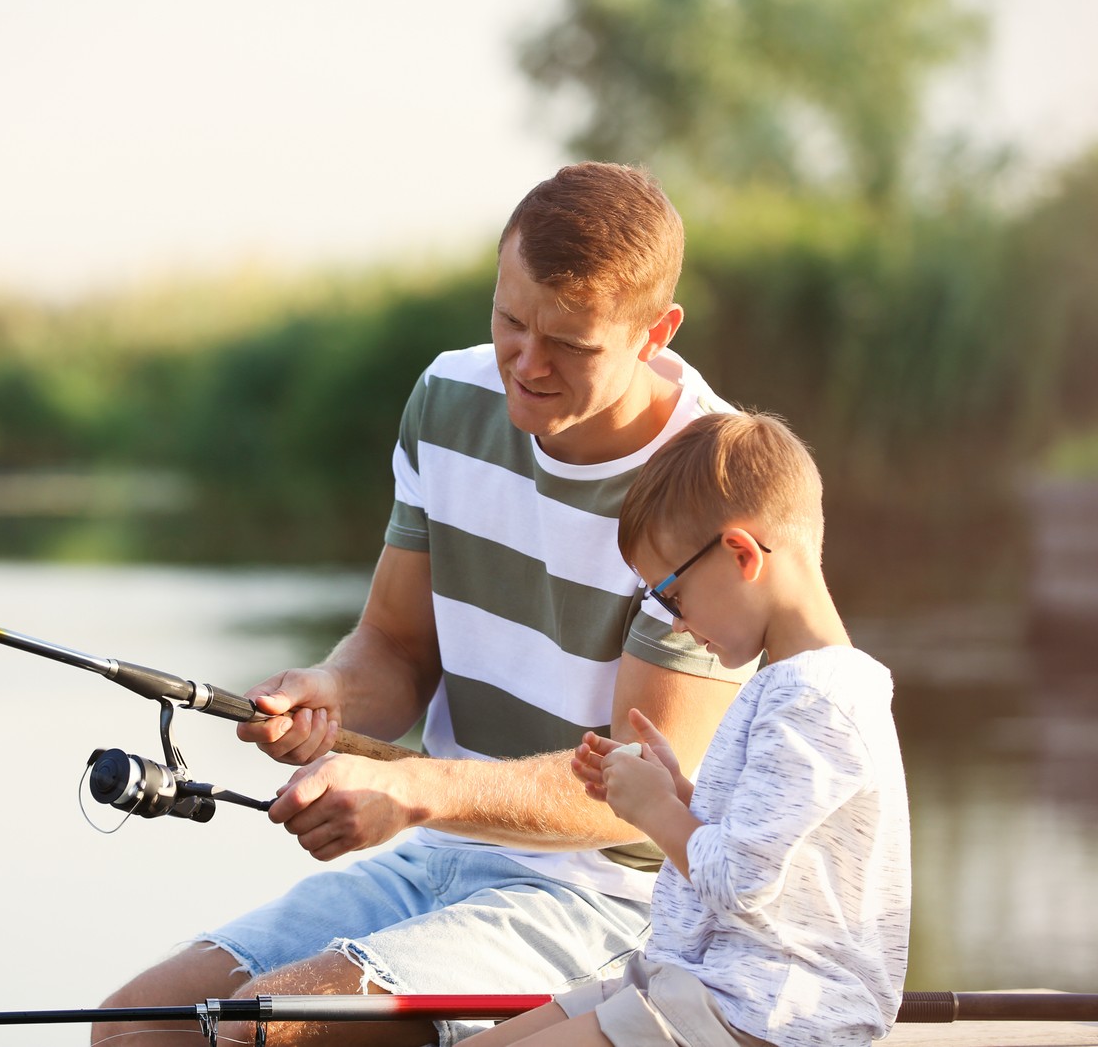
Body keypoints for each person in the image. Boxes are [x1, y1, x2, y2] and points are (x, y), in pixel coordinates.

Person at [93, 162, 752, 1047]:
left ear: (654, 331)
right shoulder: (450, 398)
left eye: (571, 343)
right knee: (138, 1032)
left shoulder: (707, 485)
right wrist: (327, 691)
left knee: (264, 1035)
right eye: (510, 320)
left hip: (612, 896)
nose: (526, 363)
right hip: (440, 851)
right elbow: (397, 649)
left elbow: (629, 789)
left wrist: (414, 789)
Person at [463, 410, 911, 1047]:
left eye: (670, 595)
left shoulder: (816, 701)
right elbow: (764, 853)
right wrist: (679, 794)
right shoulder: (791, 685)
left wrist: (654, 814)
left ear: (741, 554)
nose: (673, 624)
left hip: (771, 1010)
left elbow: (742, 884)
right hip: (710, 981)